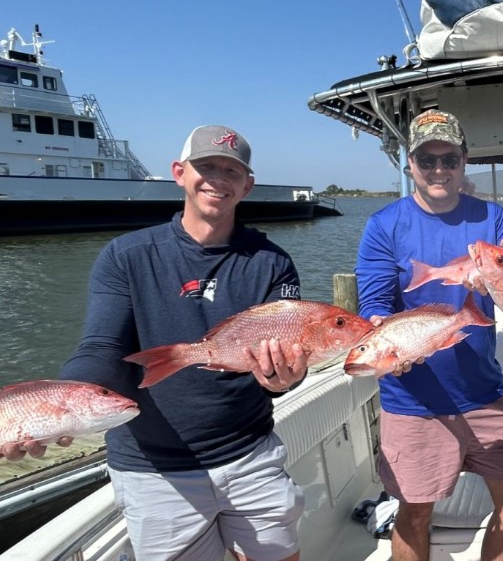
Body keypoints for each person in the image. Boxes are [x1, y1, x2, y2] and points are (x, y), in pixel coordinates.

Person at [3, 125, 307, 560]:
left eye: (231, 170)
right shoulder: (126, 255)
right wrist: (63, 402)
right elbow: (101, 347)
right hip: (153, 469)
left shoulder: (273, 262)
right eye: (205, 167)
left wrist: (284, 380)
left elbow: (287, 354)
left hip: (249, 454)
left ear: (247, 185)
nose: (217, 179)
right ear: (179, 173)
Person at [355, 109, 503, 561]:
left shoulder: (492, 218)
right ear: (408, 162)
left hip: (483, 391)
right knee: (414, 513)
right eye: (426, 160)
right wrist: (388, 342)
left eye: (448, 159)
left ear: (464, 161)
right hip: (412, 399)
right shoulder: (383, 225)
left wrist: (497, 285)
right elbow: (373, 304)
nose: (438, 170)